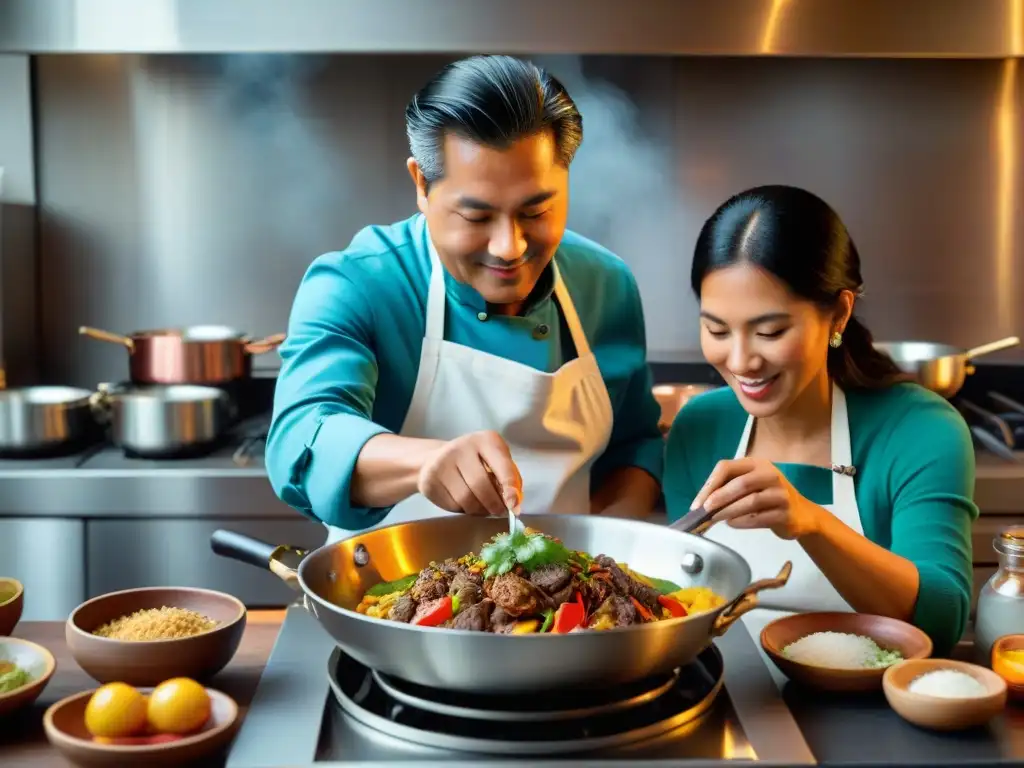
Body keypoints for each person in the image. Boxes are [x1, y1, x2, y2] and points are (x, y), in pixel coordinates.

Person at [266, 55, 664, 545]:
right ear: (421, 185)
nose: (509, 247)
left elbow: (634, 446)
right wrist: (425, 462)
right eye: (476, 217)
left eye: (536, 210)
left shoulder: (606, 285)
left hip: (576, 616)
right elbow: (303, 439)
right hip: (390, 605)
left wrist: (611, 553)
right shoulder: (358, 283)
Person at [664, 185, 976, 656]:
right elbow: (683, 601)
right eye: (717, 330)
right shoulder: (699, 428)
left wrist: (811, 523)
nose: (742, 360)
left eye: (770, 331)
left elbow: (942, 616)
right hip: (730, 710)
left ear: (839, 314)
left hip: (872, 715)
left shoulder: (921, 430)